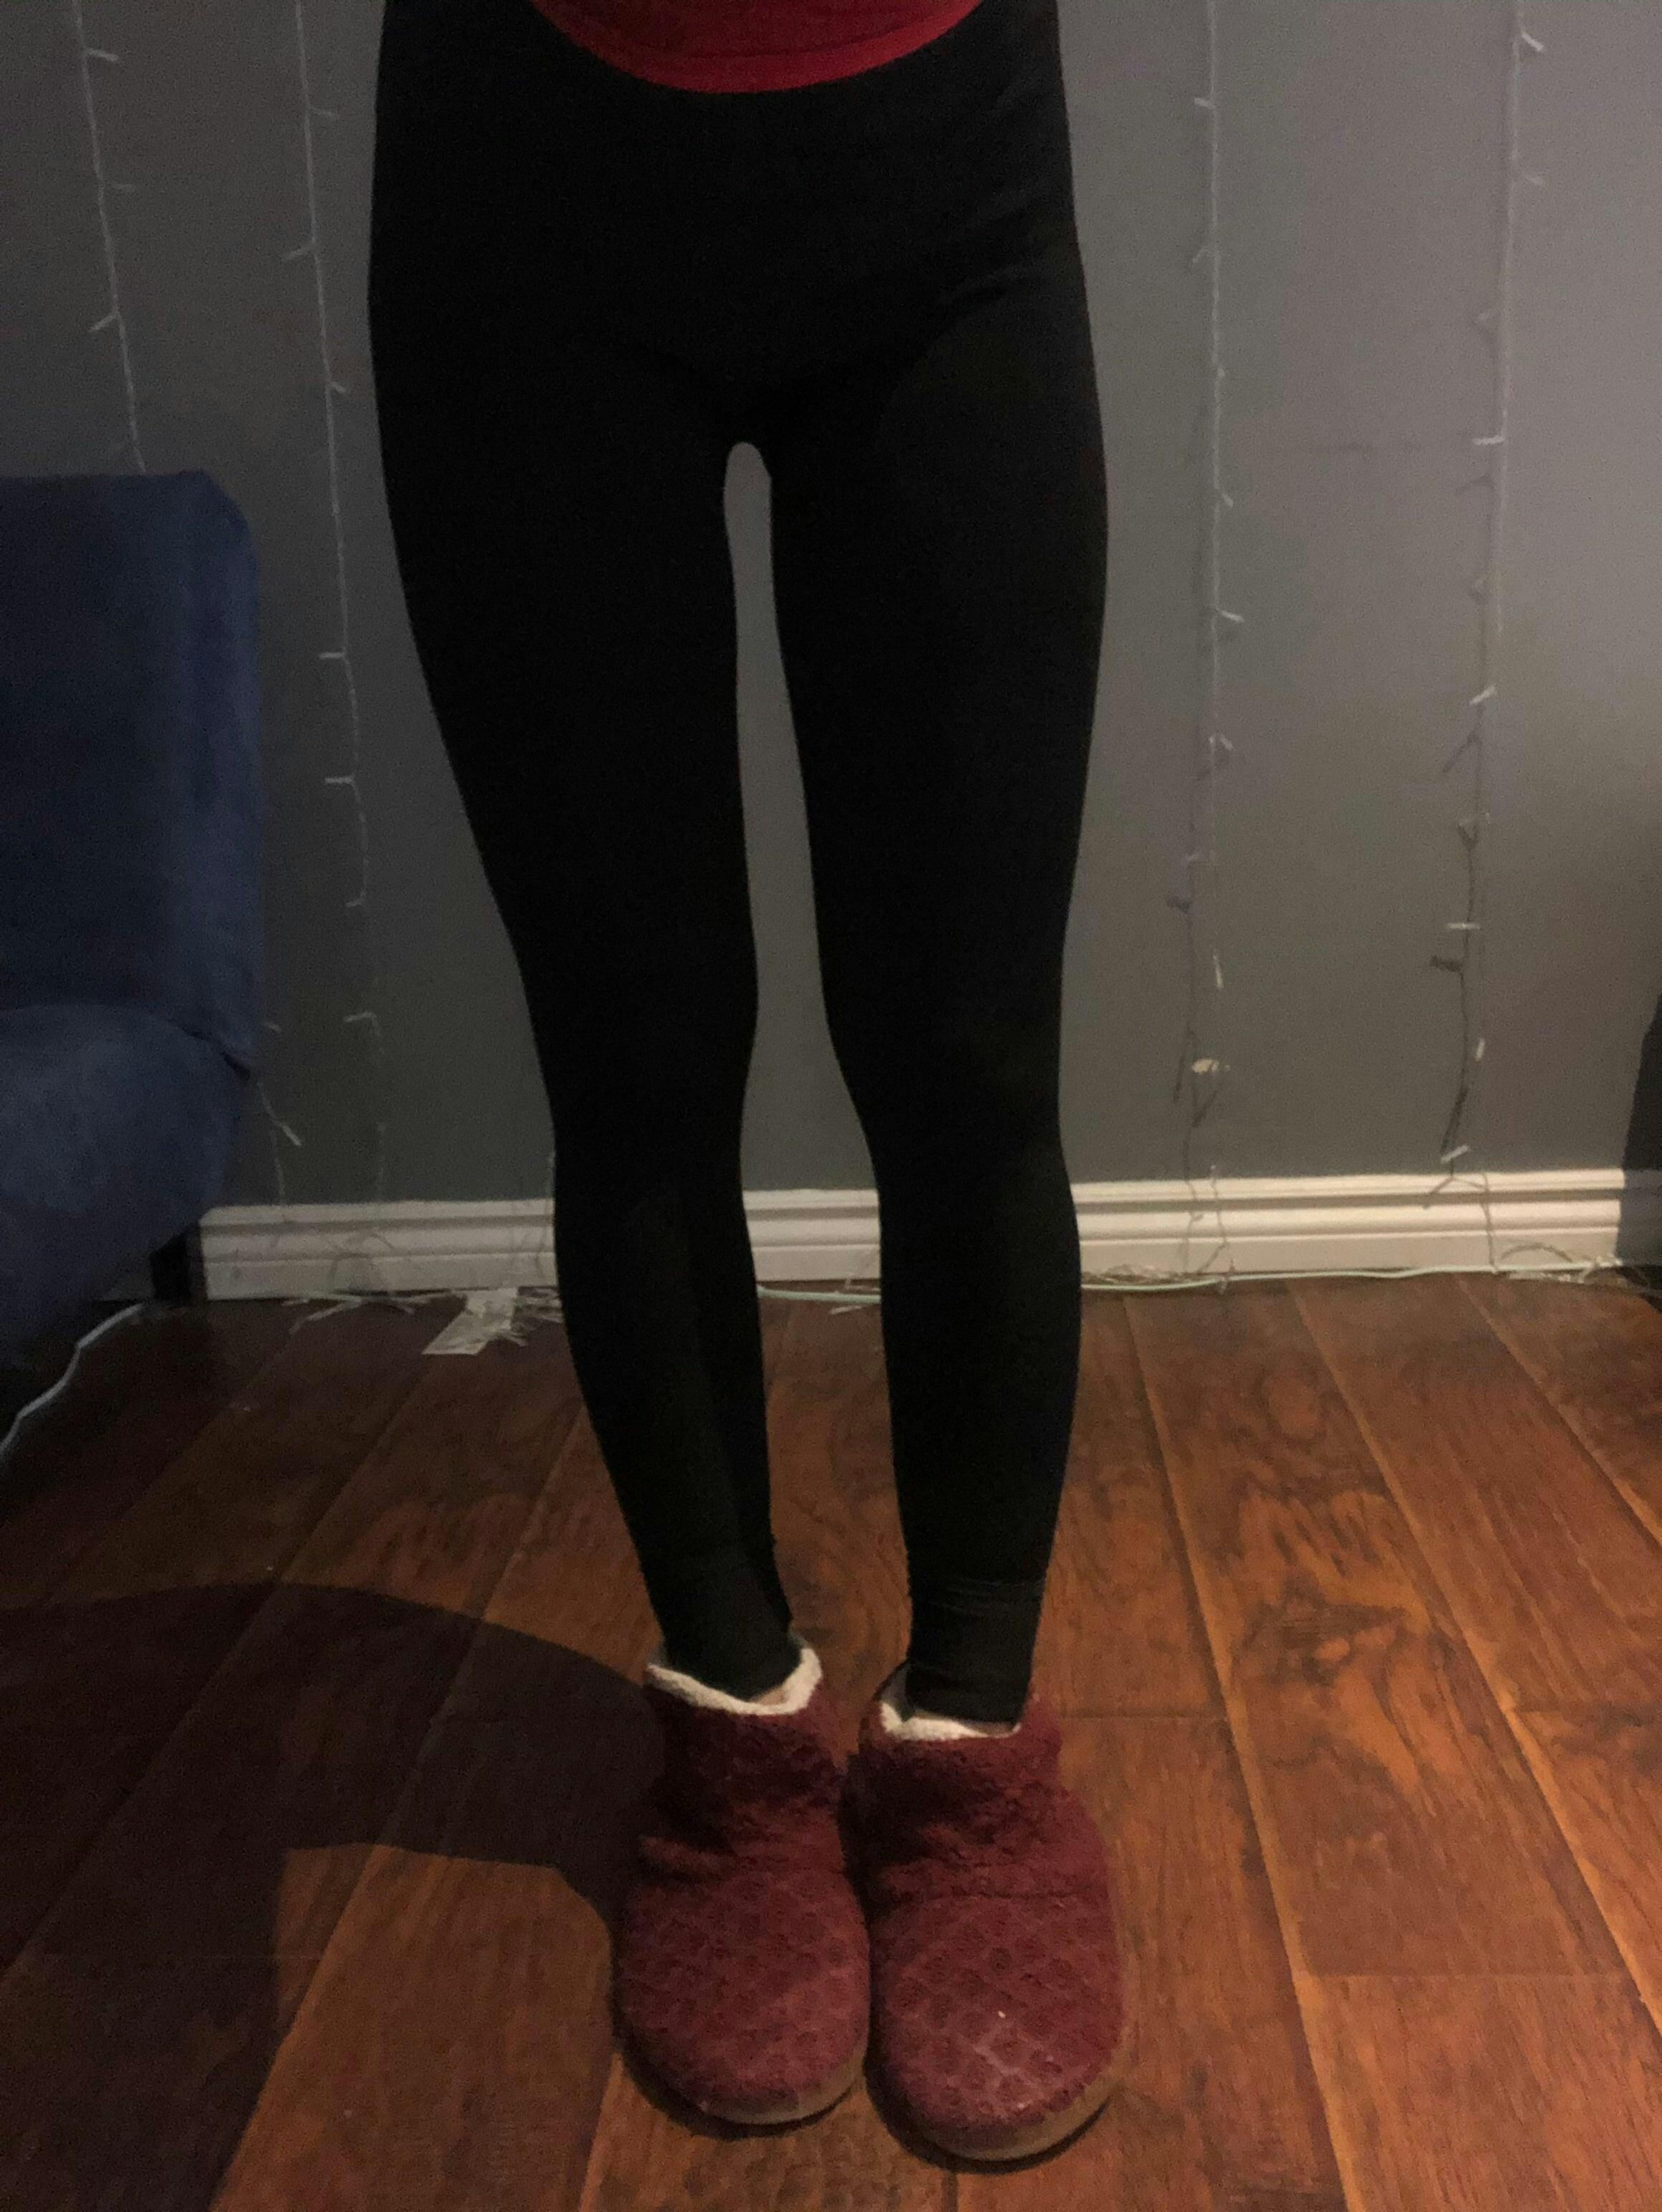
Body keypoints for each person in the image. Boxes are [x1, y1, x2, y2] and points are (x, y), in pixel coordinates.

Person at [368, 0, 1125, 2163]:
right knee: (632, 1053)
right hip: (522, 176)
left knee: (969, 1052)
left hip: (943, 156)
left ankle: (969, 1744)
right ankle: (737, 1734)